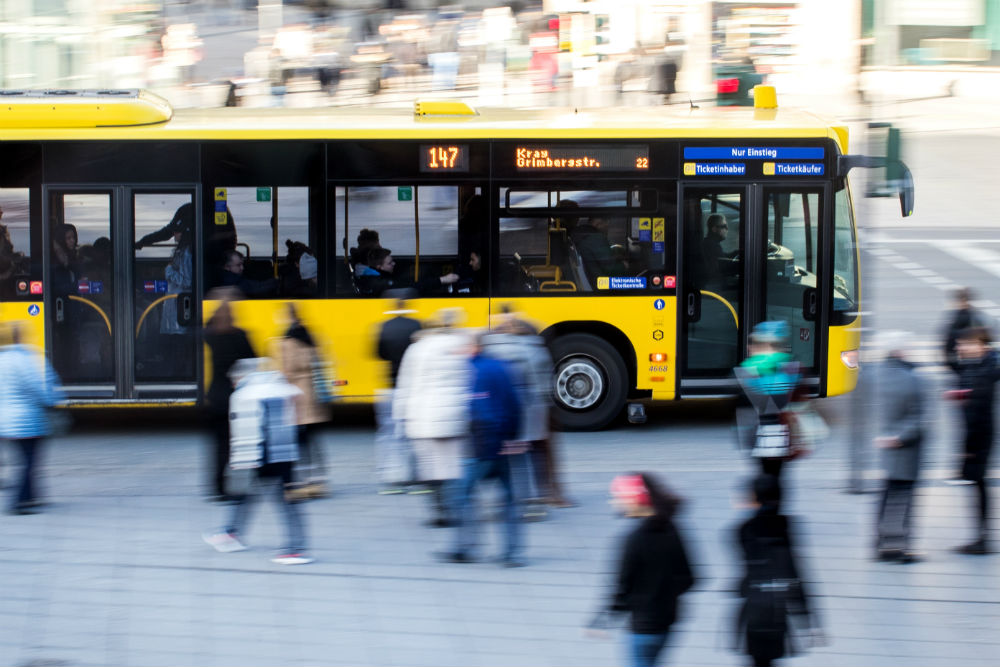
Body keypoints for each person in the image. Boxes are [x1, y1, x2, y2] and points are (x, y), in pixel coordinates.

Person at [203, 357, 312, 565]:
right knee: (250, 495)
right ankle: (231, 533)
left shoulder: (245, 395)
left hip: (263, 456)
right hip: (284, 455)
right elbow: (297, 425)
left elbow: (246, 430)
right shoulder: (281, 390)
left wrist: (240, 461)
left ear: (239, 378)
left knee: (283, 503)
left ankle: (295, 550)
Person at [590, 473, 694, 667]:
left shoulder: (634, 540)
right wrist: (664, 596)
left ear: (634, 499)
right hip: (667, 622)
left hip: (642, 628)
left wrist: (604, 618)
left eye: (618, 497)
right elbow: (689, 578)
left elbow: (622, 587)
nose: (614, 502)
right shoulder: (672, 528)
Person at [440, 332, 523, 567]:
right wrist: (511, 438)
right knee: (508, 499)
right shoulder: (501, 366)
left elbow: (481, 410)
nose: (459, 351)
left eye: (463, 346)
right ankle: (511, 553)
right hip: (504, 443)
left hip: (484, 446)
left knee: (462, 494)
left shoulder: (476, 371)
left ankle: (464, 548)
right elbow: (515, 403)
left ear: (474, 347)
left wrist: (487, 445)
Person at [393, 308, 471, 527]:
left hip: (423, 417)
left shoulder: (417, 349)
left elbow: (405, 385)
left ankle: (439, 511)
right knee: (454, 465)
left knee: (430, 466)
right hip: (455, 415)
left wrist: (400, 416)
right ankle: (456, 506)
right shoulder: (461, 345)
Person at [734, 474, 819, 667]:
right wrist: (804, 611)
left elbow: (748, 568)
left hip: (755, 608)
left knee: (758, 660)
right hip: (777, 610)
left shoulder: (744, 529)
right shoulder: (785, 527)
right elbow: (793, 570)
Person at [482, 317, 553, 519]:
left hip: (505, 412)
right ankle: (532, 502)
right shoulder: (535, 348)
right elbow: (545, 383)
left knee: (507, 459)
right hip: (531, 412)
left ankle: (508, 502)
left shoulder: (493, 349)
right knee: (527, 458)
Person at [0, 321, 65, 515]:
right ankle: (20, 501)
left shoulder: (2, 359)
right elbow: (38, 386)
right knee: (30, 460)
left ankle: (31, 496)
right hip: (26, 421)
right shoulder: (26, 358)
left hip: (6, 421)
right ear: (19, 337)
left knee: (26, 459)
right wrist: (52, 402)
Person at [945, 326, 1000, 555]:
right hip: (977, 437)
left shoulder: (987, 369)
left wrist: (968, 449)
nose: (960, 347)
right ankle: (981, 537)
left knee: (978, 485)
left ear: (980, 345)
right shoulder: (977, 365)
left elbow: (978, 410)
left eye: (965, 344)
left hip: (980, 438)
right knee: (977, 485)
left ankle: (982, 540)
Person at [873, 331, 925, 563]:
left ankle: (881, 544)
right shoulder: (912, 378)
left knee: (886, 496)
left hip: (885, 448)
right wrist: (900, 437)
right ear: (901, 351)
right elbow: (919, 418)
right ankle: (902, 546)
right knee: (905, 499)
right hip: (906, 450)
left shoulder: (877, 374)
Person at [734, 321, 801, 492]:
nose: (750, 348)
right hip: (784, 435)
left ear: (765, 345)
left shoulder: (747, 371)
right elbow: (797, 402)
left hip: (758, 437)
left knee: (764, 477)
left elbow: (742, 408)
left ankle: (766, 501)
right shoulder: (792, 369)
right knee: (777, 478)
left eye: (754, 344)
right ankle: (774, 502)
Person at [203, 290, 256, 500]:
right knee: (230, 445)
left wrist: (219, 305)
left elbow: (207, 325)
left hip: (214, 397)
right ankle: (225, 488)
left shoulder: (211, 335)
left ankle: (218, 486)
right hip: (232, 399)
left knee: (219, 446)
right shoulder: (239, 336)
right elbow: (253, 359)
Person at [277, 304, 330, 500]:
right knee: (313, 441)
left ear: (287, 317)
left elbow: (288, 370)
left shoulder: (288, 340)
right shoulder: (309, 336)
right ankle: (318, 482)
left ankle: (301, 483)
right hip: (313, 394)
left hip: (297, 397)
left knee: (299, 442)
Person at [375, 289, 422, 492]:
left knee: (390, 434)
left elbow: (379, 353)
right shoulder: (416, 325)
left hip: (391, 385)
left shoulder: (384, 326)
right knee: (413, 433)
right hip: (412, 386)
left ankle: (393, 478)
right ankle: (416, 477)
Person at [356, 247, 458, 297]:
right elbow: (411, 286)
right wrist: (442, 280)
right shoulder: (379, 283)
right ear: (380, 267)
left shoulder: (379, 275)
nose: (394, 264)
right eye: (390, 263)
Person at [942, 287, 991, 374]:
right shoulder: (976, 316)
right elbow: (986, 340)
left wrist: (951, 363)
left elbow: (949, 342)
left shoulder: (957, 318)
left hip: (965, 363)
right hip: (977, 363)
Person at [569, 217, 626, 286]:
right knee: (634, 283)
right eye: (606, 224)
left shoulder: (581, 235)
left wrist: (614, 256)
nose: (607, 227)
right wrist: (624, 266)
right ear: (598, 224)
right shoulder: (596, 238)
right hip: (601, 284)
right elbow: (611, 269)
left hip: (592, 280)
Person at [701, 213, 737, 283]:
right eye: (724, 226)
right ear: (714, 229)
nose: (727, 229)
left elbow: (722, 257)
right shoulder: (711, 245)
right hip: (714, 282)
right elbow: (725, 266)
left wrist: (735, 253)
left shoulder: (709, 242)